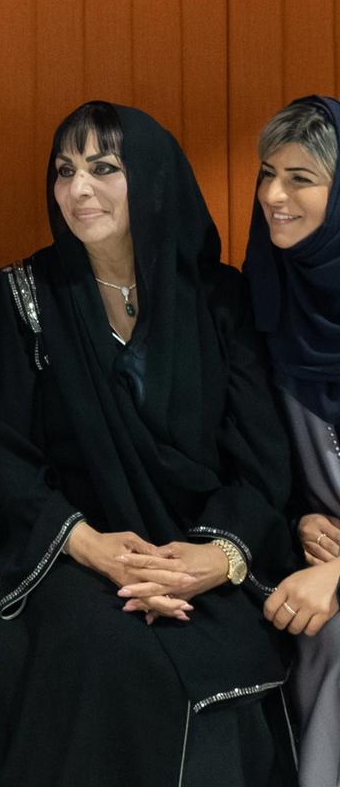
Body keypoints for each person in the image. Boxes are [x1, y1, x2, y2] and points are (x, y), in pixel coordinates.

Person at [0, 100, 298, 786]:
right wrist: (93, 547)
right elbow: (1, 457)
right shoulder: (24, 297)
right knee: (109, 650)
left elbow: (261, 457)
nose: (78, 189)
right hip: (77, 553)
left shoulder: (219, 299)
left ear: (150, 178)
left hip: (196, 547)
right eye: (65, 171)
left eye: (103, 168)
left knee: (229, 653)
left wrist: (216, 558)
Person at [245, 95, 340, 787]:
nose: (274, 196)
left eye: (300, 179)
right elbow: (246, 457)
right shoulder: (261, 300)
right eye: (267, 174)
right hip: (302, 558)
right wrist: (295, 518)